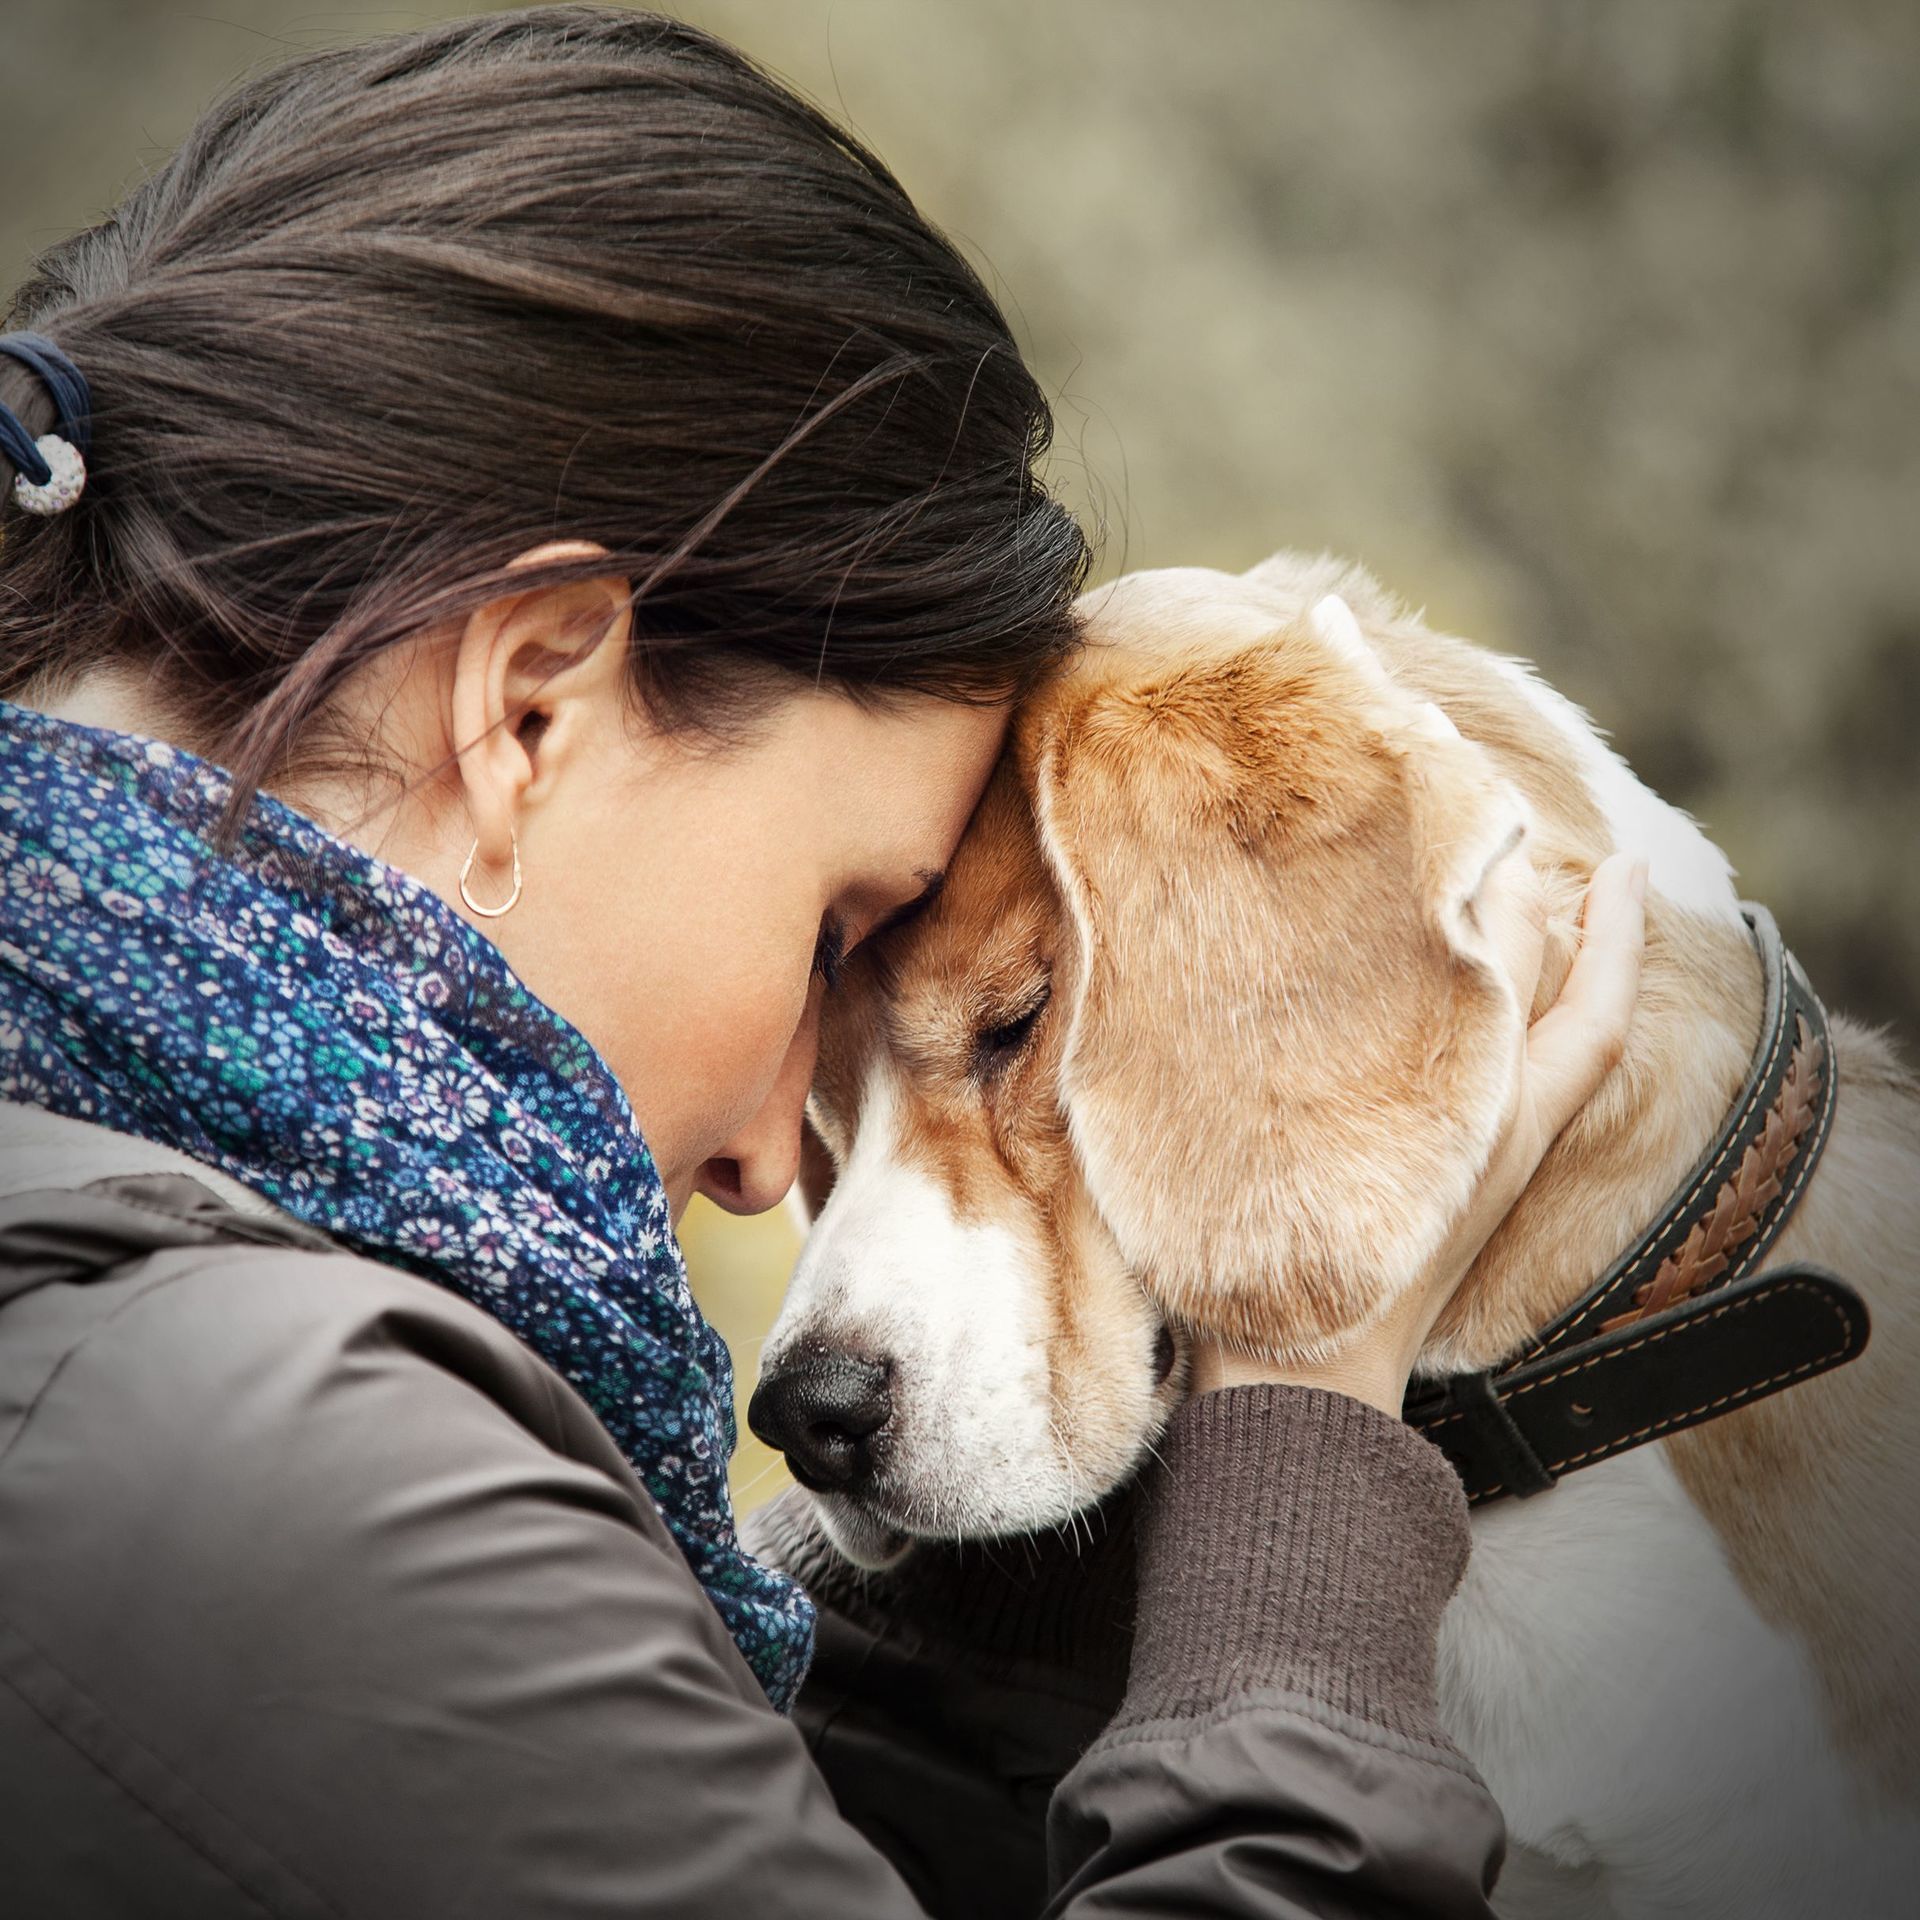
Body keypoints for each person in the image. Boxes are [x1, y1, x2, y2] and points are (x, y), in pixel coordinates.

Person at [0, 9, 1645, 1915]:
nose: (771, 1161)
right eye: (836, 938)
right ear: (527, 710)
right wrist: (1304, 1435)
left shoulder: (130, 1321)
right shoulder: (251, 1454)